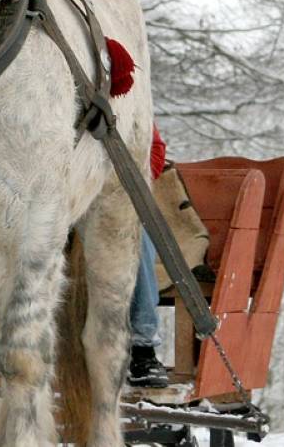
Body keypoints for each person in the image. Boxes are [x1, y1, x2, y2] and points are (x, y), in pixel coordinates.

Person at [128, 128, 171, 389]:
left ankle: (142, 347)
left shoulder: (130, 95)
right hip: (59, 196)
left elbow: (155, 149)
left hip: (114, 194)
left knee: (137, 235)